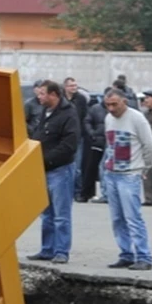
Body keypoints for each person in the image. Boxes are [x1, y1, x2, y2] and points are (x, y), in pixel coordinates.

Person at [102, 88, 152, 271]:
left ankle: (144, 256)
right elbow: (109, 144)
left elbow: (150, 146)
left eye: (114, 104)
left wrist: (144, 167)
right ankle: (126, 253)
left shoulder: (137, 119)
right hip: (112, 173)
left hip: (129, 174)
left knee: (133, 217)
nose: (110, 108)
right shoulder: (108, 119)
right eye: (107, 104)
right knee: (117, 218)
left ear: (124, 101)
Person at [26, 80, 79, 264]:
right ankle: (47, 249)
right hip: (44, 170)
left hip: (60, 170)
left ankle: (61, 251)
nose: (38, 97)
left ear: (54, 95)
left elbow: (69, 145)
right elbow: (39, 134)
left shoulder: (69, 114)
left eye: (42, 94)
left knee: (61, 214)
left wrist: (46, 159)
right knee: (47, 214)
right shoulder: (44, 112)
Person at [82, 88, 110, 202]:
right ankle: (93, 193)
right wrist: (92, 134)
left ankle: (108, 193)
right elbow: (87, 121)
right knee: (96, 168)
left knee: (108, 168)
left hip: (111, 142)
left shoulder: (114, 109)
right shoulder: (95, 108)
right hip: (98, 141)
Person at [63, 77, 88, 200]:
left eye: (75, 85)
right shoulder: (61, 99)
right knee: (64, 166)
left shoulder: (81, 99)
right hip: (63, 136)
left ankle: (77, 192)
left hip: (78, 136)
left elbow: (84, 117)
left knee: (77, 167)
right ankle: (66, 191)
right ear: (65, 87)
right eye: (71, 86)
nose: (74, 88)